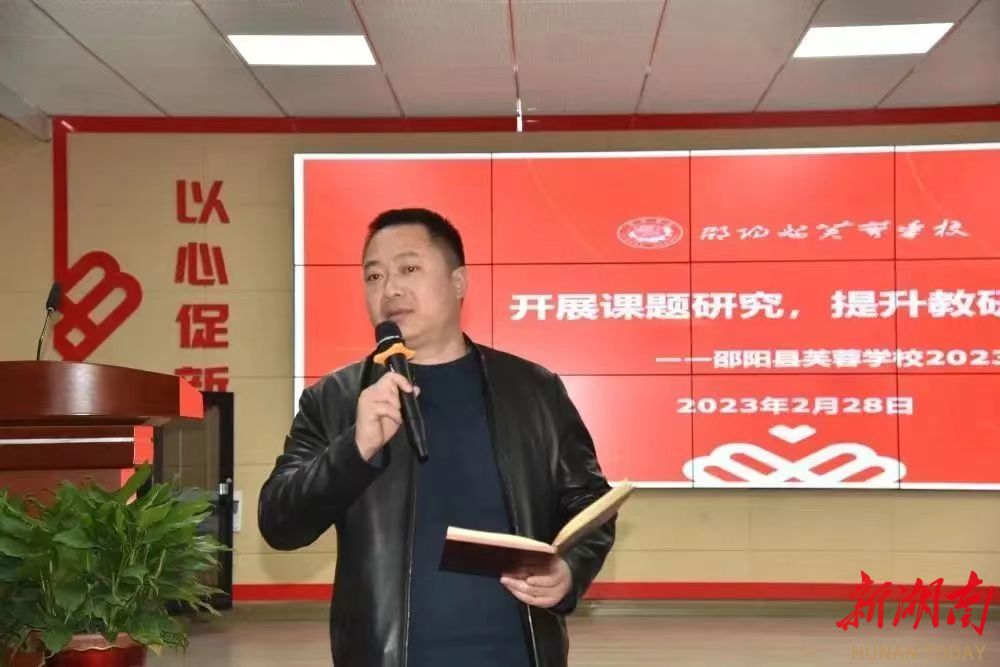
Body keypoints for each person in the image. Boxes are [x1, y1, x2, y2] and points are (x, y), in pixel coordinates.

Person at [259, 207, 616, 667]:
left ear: (459, 282)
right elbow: (280, 522)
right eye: (374, 276)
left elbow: (591, 506)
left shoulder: (534, 390)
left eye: (409, 269)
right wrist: (355, 448)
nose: (390, 289)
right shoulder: (334, 400)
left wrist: (570, 570)